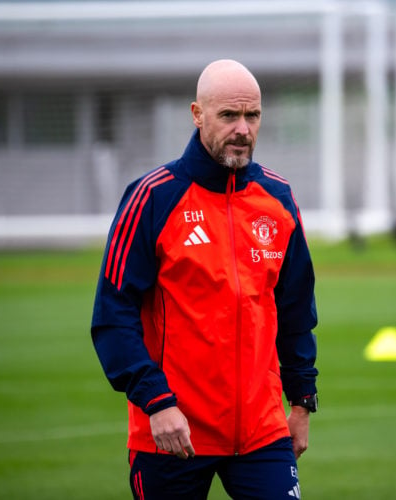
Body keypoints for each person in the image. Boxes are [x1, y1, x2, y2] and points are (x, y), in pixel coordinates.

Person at [91, 59, 318, 499]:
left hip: (261, 431)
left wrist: (302, 400)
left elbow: (296, 311)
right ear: (197, 115)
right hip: (171, 430)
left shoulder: (278, 198)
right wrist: (156, 401)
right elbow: (112, 315)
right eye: (228, 116)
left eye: (252, 116)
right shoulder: (153, 197)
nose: (243, 129)